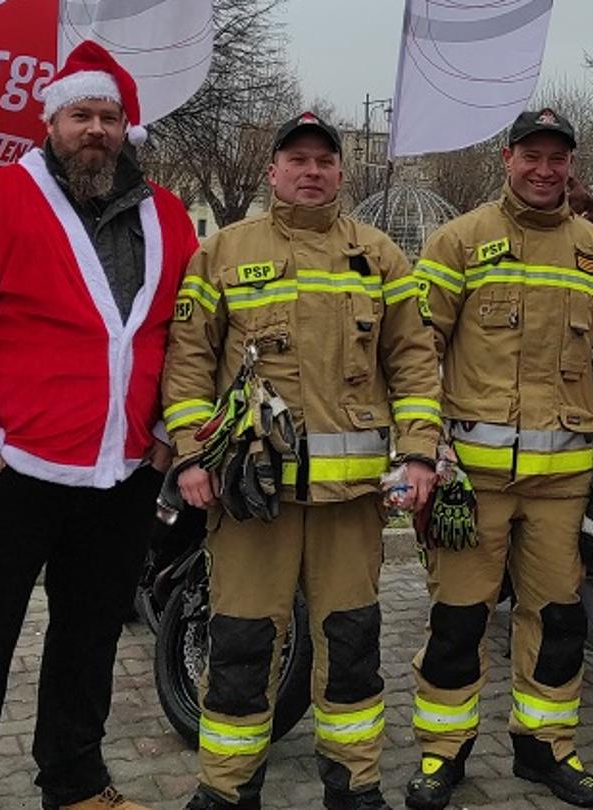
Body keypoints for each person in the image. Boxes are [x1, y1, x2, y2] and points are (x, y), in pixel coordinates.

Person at [0, 41, 198, 810]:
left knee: (90, 635)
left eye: (108, 117)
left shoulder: (167, 217)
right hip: (14, 468)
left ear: (127, 129)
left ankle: (75, 781)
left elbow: (185, 331)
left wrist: (166, 432)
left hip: (124, 471)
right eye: (80, 115)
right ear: (52, 121)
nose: (94, 130)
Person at [163, 111, 442, 810]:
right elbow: (188, 364)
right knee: (241, 647)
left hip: (349, 507)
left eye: (324, 160)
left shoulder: (380, 256)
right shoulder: (222, 252)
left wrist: (416, 455)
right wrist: (194, 457)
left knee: (350, 648)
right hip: (251, 501)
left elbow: (413, 363)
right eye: (298, 159)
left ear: (341, 174)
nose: (311, 170)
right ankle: (227, 791)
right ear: (274, 171)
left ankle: (355, 785)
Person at [404, 108, 593, 810]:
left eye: (558, 158)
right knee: (457, 622)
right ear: (507, 157)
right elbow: (418, 354)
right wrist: (422, 448)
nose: (546, 169)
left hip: (562, 488)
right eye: (533, 155)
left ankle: (545, 749)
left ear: (571, 165)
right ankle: (441, 756)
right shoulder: (459, 240)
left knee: (557, 622)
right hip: (471, 486)